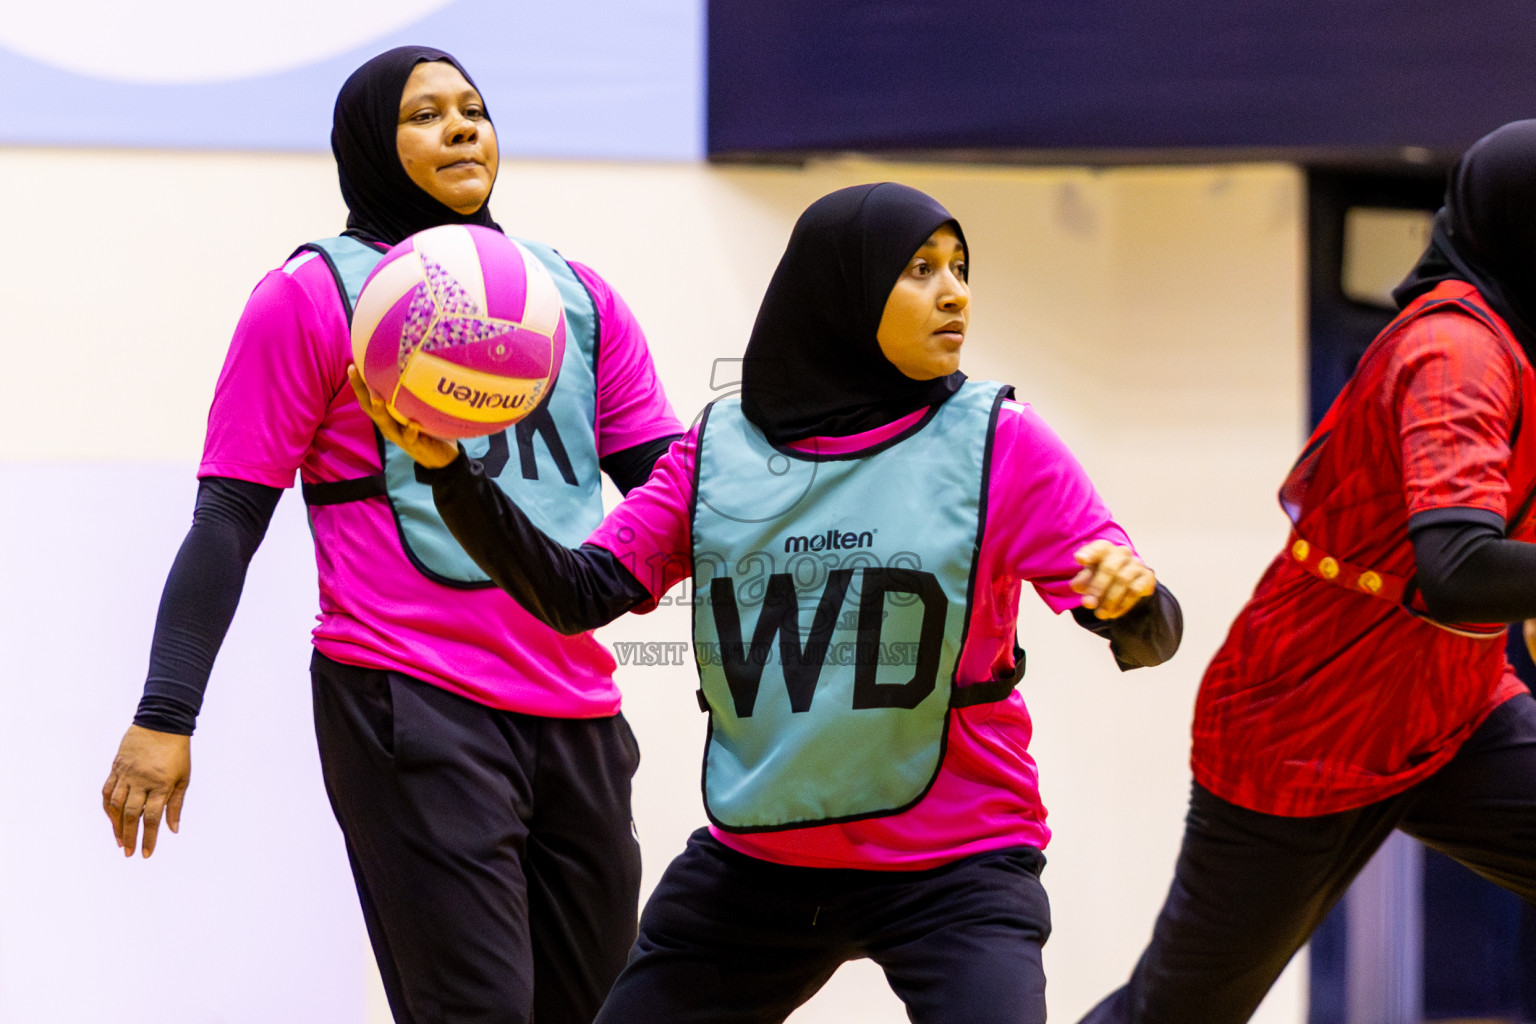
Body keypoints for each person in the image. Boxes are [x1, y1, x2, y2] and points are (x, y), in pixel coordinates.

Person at [354, 182, 1184, 1024]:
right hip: (762, 864)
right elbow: (578, 593)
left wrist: (1133, 606)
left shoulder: (999, 440)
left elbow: (1153, 633)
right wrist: (451, 476)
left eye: (960, 268)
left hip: (956, 863)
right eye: (921, 270)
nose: (955, 294)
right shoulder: (718, 452)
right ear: (842, 290)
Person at [99, 45, 683, 1024]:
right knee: (477, 1009)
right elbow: (230, 518)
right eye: (425, 115)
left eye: (473, 110)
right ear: (372, 141)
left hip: (578, 706)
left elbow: (672, 488)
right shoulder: (310, 296)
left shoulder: (578, 296)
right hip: (409, 696)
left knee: (596, 1010)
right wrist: (166, 712)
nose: (460, 129)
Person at [1078, 119, 1536, 1024]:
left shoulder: (1520, 340)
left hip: (1450, 706)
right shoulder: (1458, 351)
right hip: (1309, 718)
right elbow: (1458, 567)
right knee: (1179, 1015)